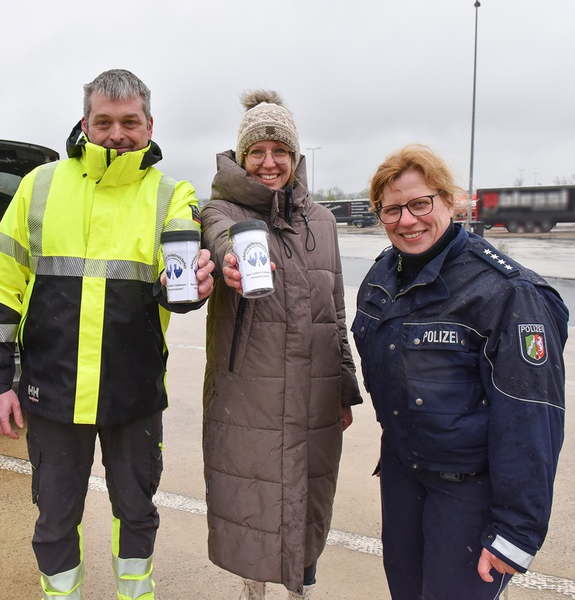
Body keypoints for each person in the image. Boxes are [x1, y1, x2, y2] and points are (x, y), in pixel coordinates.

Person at [0, 68, 215, 600]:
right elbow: (1, 291)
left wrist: (193, 288)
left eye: (130, 122)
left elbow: (180, 286)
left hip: (133, 394)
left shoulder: (172, 193)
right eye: (104, 121)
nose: (117, 134)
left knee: (136, 509)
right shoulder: (39, 186)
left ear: (149, 125)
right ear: (85, 122)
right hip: (53, 392)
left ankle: (137, 594)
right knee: (56, 515)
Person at [352, 144, 568, 599]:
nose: (407, 220)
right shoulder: (382, 276)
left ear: (449, 200)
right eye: (391, 210)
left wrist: (515, 532)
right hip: (404, 476)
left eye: (419, 203)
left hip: (469, 494)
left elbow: (531, 418)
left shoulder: (506, 292)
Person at [200, 90, 363, 600]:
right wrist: (229, 261)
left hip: (314, 395)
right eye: (257, 151)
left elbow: (336, 312)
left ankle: (302, 590)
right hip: (250, 395)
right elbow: (221, 237)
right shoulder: (218, 209)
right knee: (254, 504)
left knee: (307, 502)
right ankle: (254, 591)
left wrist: (344, 387)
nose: (269, 163)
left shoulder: (323, 222)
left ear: (295, 157)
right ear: (242, 156)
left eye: (280, 151)